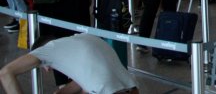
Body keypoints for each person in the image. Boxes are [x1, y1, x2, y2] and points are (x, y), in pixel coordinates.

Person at [0, 34, 138, 94]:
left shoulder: (48, 49)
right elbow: (84, 83)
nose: (47, 70)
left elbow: (5, 73)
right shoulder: (82, 38)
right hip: (132, 90)